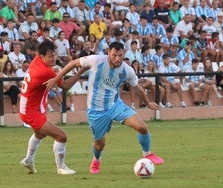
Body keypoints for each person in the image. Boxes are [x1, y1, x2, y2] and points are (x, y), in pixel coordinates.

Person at [45, 41, 164, 174]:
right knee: (99, 144)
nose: (117, 59)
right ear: (108, 53)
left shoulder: (127, 70)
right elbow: (73, 63)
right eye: (114, 55)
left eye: (120, 55)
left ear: (124, 54)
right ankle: (96, 159)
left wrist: (148, 103)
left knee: (142, 127)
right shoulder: (96, 60)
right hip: (96, 111)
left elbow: (137, 88)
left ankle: (147, 154)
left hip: (115, 105)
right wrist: (56, 79)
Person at [19, 39, 87, 175]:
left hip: (29, 108)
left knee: (40, 134)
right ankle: (61, 167)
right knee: (61, 136)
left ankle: (28, 160)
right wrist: (80, 71)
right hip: (32, 112)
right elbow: (66, 86)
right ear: (42, 56)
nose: (54, 58)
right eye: (50, 56)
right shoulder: (45, 72)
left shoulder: (36, 61)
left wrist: (55, 72)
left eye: (54, 54)